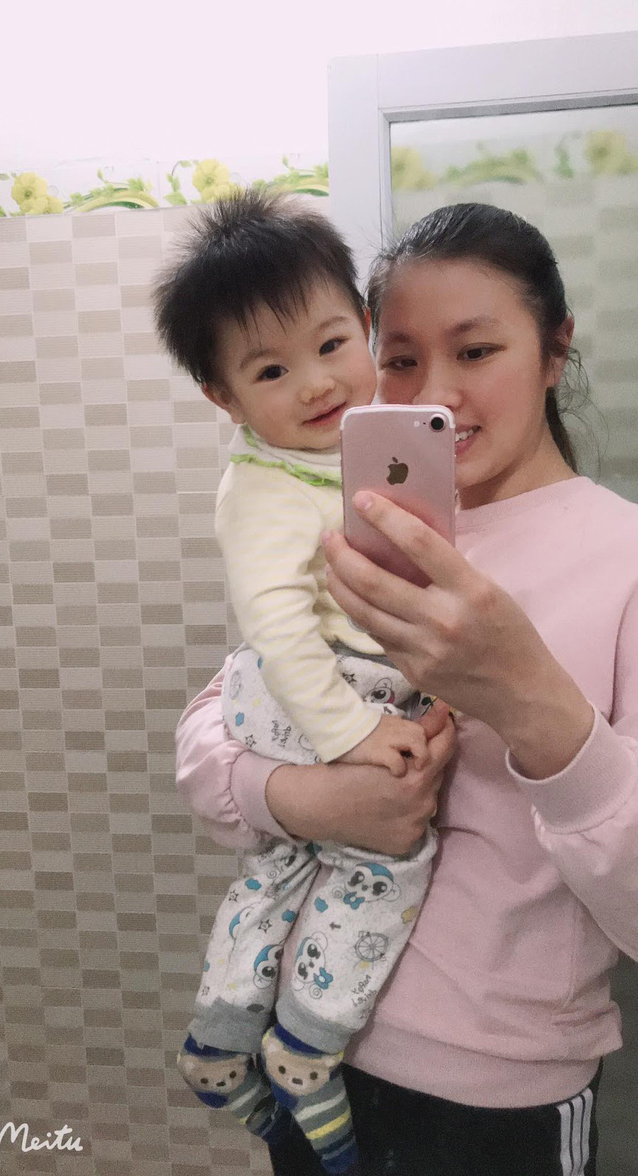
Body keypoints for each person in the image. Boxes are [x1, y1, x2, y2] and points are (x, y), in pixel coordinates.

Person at [174, 200, 638, 1176]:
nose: (435, 393)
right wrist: (310, 797)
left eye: (476, 351)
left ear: (555, 350)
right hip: (311, 1049)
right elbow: (213, 738)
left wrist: (531, 700)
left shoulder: (624, 560)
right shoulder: (360, 521)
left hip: (497, 1095)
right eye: (398, 358)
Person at [153, 190, 450, 1176]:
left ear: (364, 327)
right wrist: (351, 738)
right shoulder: (266, 487)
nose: (316, 382)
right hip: (308, 702)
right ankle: (309, 1046)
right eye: (271, 370)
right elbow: (278, 626)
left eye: (330, 344)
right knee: (385, 862)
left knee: (280, 870)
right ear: (225, 399)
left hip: (298, 704)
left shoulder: (354, 454)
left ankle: (220, 1036)